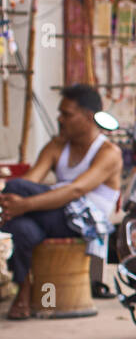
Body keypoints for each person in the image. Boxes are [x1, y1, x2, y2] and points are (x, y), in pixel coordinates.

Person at [1, 84, 121, 320]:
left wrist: (23, 205)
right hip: (54, 215)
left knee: (16, 195)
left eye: (66, 114)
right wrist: (14, 203)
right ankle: (24, 288)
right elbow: (31, 180)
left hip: (84, 222)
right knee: (22, 228)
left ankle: (25, 291)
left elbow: (76, 190)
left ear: (88, 117)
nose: (60, 119)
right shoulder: (56, 146)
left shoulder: (108, 152)